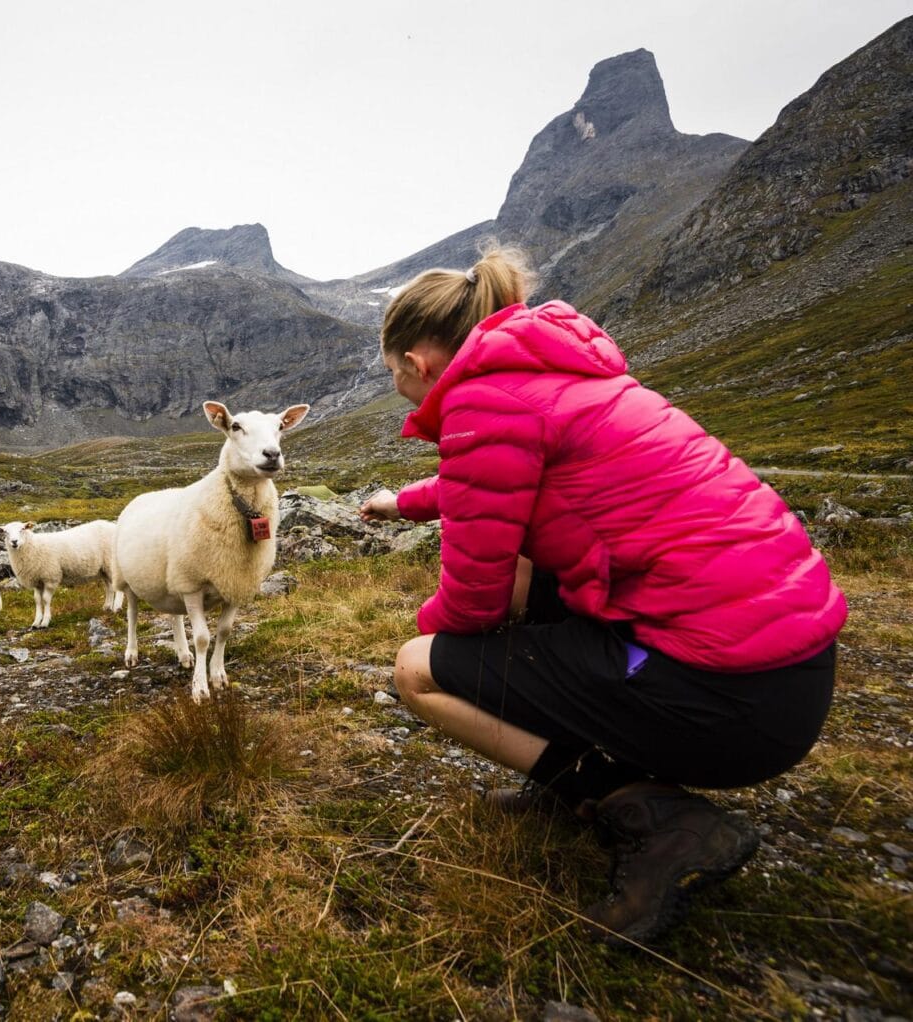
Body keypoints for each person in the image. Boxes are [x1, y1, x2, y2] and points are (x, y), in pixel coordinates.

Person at [358, 244, 845, 947]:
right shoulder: (540, 371)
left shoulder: (479, 401)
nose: (397, 386)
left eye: (392, 374)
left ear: (417, 363)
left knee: (419, 668)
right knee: (524, 577)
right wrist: (402, 503)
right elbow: (487, 477)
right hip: (784, 667)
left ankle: (645, 813)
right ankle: (580, 769)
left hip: (730, 701)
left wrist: (433, 637)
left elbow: (472, 603)